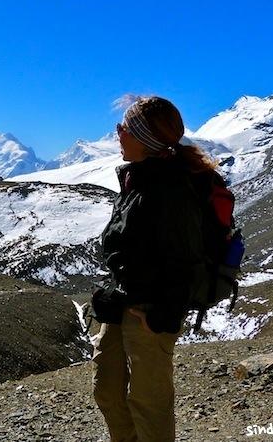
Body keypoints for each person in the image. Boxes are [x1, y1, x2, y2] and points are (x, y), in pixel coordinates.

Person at [92, 96, 218, 441]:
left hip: (150, 314)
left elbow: (185, 257)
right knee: (107, 389)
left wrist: (164, 314)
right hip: (124, 304)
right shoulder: (137, 180)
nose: (117, 132)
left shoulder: (170, 190)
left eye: (125, 127)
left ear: (144, 139)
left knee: (148, 403)